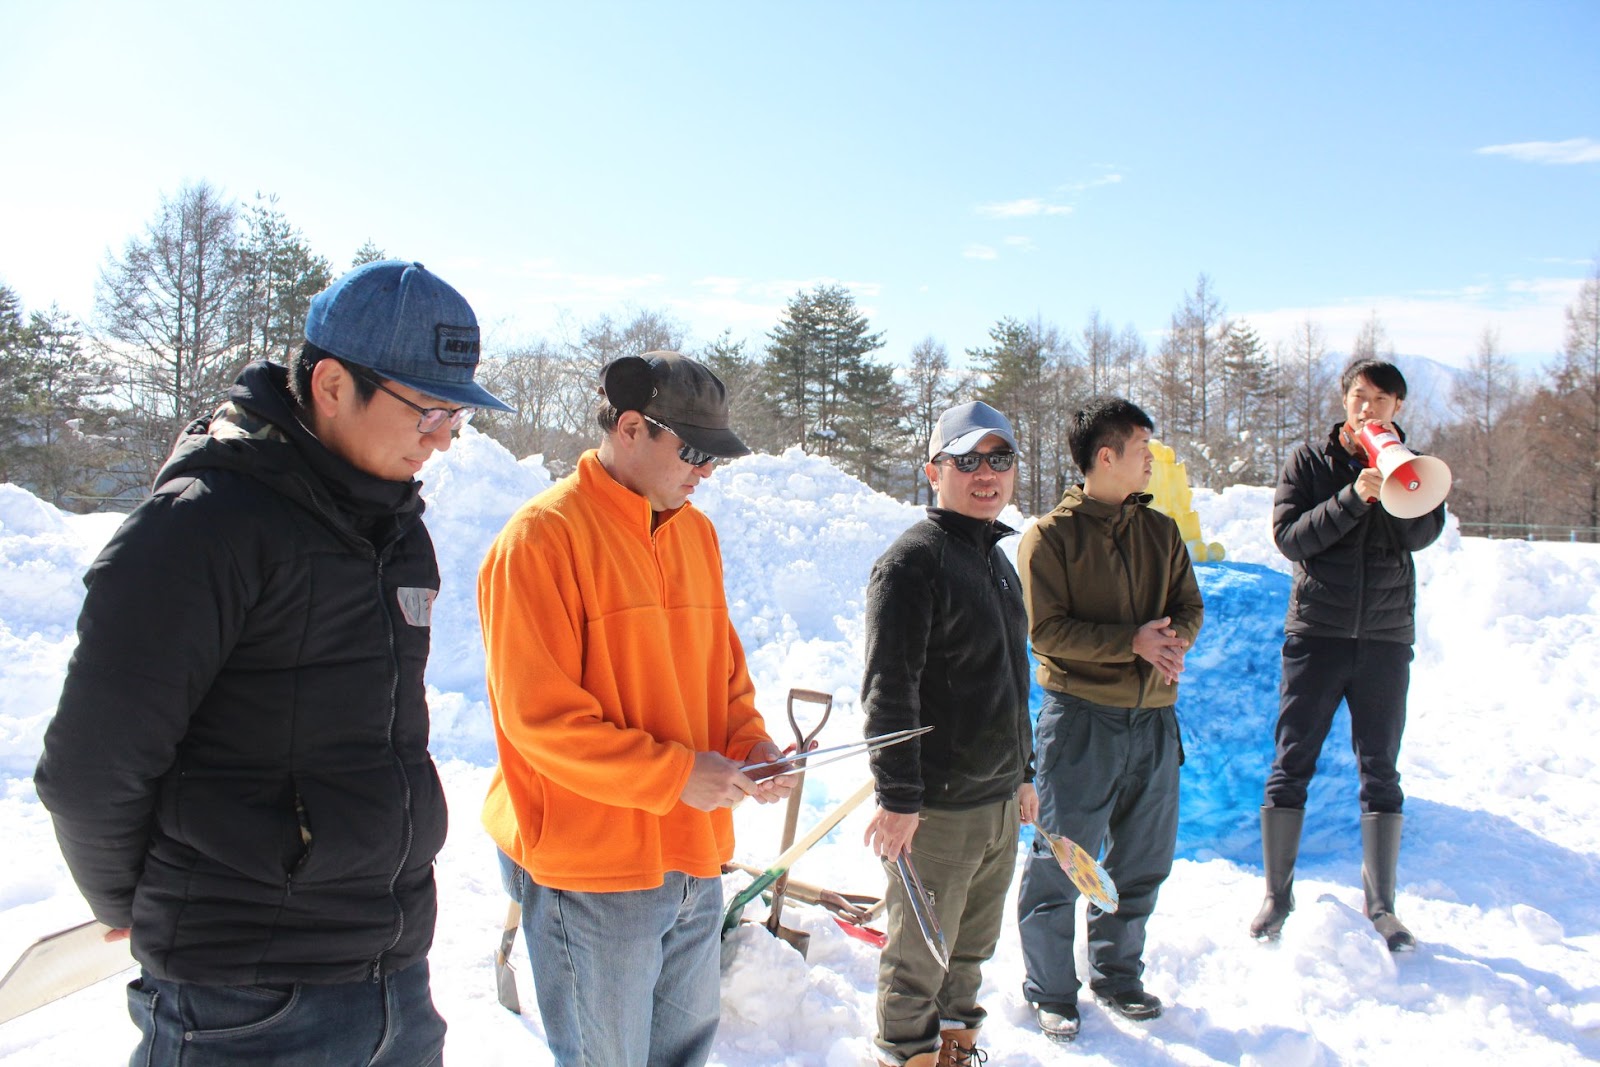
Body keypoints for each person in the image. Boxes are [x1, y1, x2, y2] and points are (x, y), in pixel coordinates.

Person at [34, 259, 512, 1065]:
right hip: (244, 1003)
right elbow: (92, 765)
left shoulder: (397, 532)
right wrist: (132, 902)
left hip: (392, 982)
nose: (443, 438)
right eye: (427, 409)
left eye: (456, 414)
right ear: (331, 384)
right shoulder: (203, 527)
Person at [479, 351, 795, 1067]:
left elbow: (724, 676)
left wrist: (751, 743)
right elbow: (540, 723)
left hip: (691, 854)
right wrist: (677, 774)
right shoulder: (541, 539)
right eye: (692, 452)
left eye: (716, 459)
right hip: (592, 870)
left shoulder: (696, 534)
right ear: (629, 426)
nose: (705, 473)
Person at [1015, 397, 1203, 1041]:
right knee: (1063, 859)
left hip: (1155, 723)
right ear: (1106, 456)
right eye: (1142, 451)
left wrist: (1172, 639)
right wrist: (1133, 642)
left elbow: (1188, 605)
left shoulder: (1161, 532)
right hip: (1082, 723)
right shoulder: (1049, 538)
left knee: (1143, 859)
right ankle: (1050, 989)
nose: (1150, 462)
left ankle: (1117, 975)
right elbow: (1048, 632)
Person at [862, 401, 1037, 1067]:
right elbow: (889, 688)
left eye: (999, 458)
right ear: (935, 471)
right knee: (917, 963)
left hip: (996, 805)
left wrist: (1026, 771)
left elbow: (1012, 681)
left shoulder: (996, 560)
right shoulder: (912, 563)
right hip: (936, 809)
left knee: (967, 958)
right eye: (967, 459)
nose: (985, 472)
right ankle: (906, 1056)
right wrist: (899, 795)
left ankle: (956, 1053)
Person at [1250, 358, 1446, 951]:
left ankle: (1382, 904)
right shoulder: (1308, 463)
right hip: (1317, 634)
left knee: (1381, 767)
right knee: (1292, 762)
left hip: (1385, 638)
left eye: (1381, 399)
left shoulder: (1411, 468)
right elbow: (1291, 539)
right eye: (1359, 396)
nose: (1369, 408)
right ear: (1343, 399)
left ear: (1398, 408)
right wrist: (1353, 498)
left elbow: (1423, 533)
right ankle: (1276, 895)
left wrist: (1393, 485)